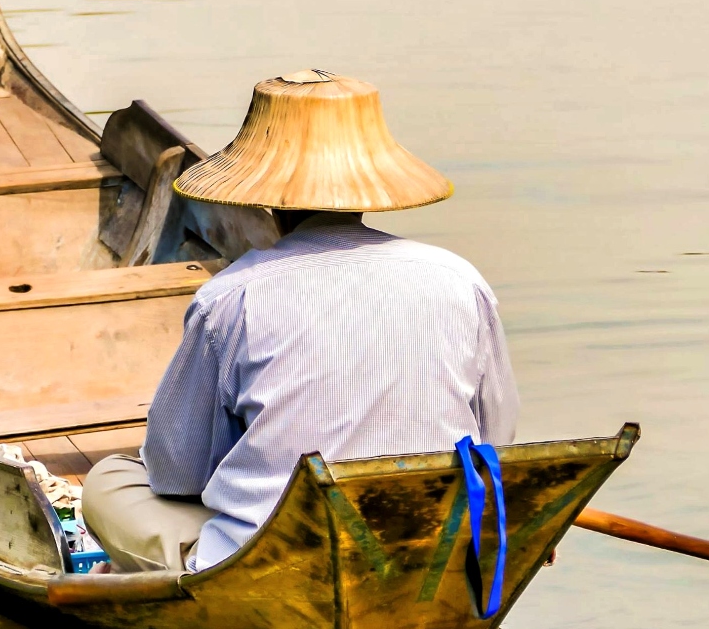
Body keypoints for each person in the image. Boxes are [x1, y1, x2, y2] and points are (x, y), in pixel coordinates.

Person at [82, 69, 518, 573]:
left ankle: (161, 569)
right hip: (425, 539)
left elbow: (176, 474)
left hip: (277, 558)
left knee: (110, 481)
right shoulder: (459, 280)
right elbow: (495, 435)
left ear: (263, 196)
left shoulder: (231, 297)